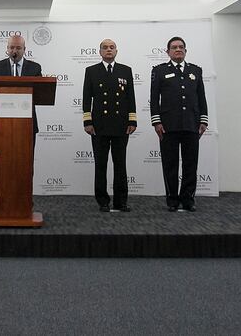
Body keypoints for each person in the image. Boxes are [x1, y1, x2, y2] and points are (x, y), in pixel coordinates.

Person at [150, 36, 207, 212]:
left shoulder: (195, 71)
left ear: (185, 51)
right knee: (170, 164)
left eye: (181, 47)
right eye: (174, 47)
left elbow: (201, 97)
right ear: (168, 52)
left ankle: (188, 199)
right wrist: (156, 122)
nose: (178, 49)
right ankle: (172, 199)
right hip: (168, 126)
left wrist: (203, 120)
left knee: (190, 164)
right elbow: (154, 99)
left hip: (191, 124)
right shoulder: (159, 71)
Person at [82, 38, 137, 212]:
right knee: (101, 165)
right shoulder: (91, 71)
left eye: (112, 47)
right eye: (105, 47)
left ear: (116, 51)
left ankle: (121, 201)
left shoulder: (125, 70)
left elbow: (130, 97)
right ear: (100, 52)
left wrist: (132, 120)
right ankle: (103, 201)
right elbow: (86, 98)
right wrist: (87, 121)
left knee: (120, 165)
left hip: (121, 125)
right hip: (99, 126)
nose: (108, 50)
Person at [0, 33, 42, 135]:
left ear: (24, 49)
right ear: (7, 48)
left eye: (18, 48)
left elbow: (39, 93)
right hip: (2, 119)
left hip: (27, 120)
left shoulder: (35, 68)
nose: (14, 51)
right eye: (12, 47)